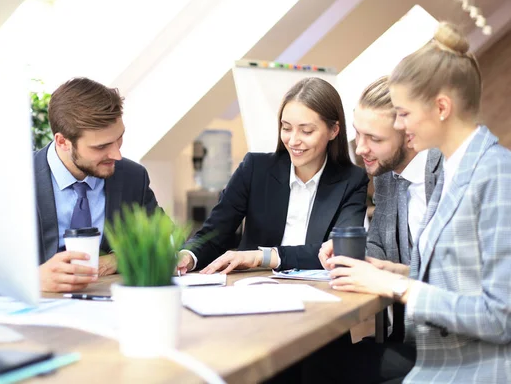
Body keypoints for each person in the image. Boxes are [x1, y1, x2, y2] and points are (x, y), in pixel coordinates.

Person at [325, 22, 511, 383]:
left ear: (442, 107)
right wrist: (382, 270)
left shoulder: (497, 174)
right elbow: (456, 278)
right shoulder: (454, 171)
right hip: (441, 357)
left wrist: (395, 286)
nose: (399, 124)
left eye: (404, 114)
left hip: (472, 368)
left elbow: (501, 316)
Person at [0, 77, 161, 299]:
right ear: (62, 142)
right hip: (31, 319)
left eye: (119, 138)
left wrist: (118, 258)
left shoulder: (133, 177)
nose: (117, 154)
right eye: (101, 146)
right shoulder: (9, 181)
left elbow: (168, 242)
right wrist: (32, 279)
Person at [177, 77, 369, 275]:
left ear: (333, 131)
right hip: (254, 287)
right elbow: (214, 234)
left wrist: (262, 256)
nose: (293, 140)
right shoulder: (254, 169)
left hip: (319, 292)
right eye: (286, 128)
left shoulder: (352, 181)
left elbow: (339, 251)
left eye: (306, 131)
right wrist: (187, 256)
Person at [319, 76, 443, 342]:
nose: (360, 148)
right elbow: (380, 247)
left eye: (373, 138)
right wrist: (351, 255)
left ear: (409, 136)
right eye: (358, 133)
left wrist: (388, 276)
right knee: (320, 360)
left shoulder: (450, 175)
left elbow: (457, 279)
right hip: (406, 336)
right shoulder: (386, 175)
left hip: (449, 346)